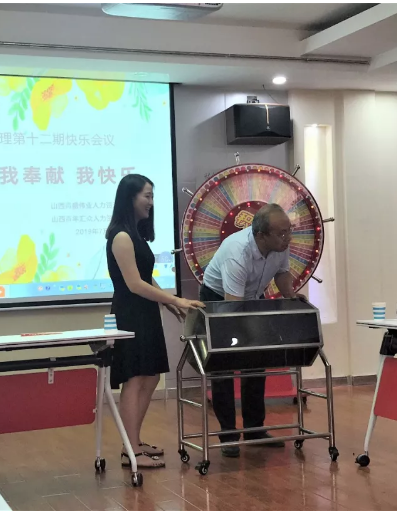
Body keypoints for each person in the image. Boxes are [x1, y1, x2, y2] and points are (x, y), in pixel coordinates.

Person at [106, 174, 204, 469]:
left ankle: (134, 443)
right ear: (130, 198)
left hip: (146, 313)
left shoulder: (135, 234)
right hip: (130, 315)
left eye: (152, 196)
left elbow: (147, 279)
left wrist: (170, 303)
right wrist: (177, 300)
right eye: (146, 196)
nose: (151, 202)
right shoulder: (121, 237)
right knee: (134, 379)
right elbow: (134, 284)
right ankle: (130, 450)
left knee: (150, 377)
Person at [201, 203, 306, 457]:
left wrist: (291, 298)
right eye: (282, 233)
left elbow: (281, 273)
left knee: (256, 361)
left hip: (251, 295)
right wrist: (242, 336)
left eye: (289, 231)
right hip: (220, 299)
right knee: (224, 365)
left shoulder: (279, 244)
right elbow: (233, 305)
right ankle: (228, 435)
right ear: (261, 235)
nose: (288, 238)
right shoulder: (237, 252)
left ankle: (254, 430)